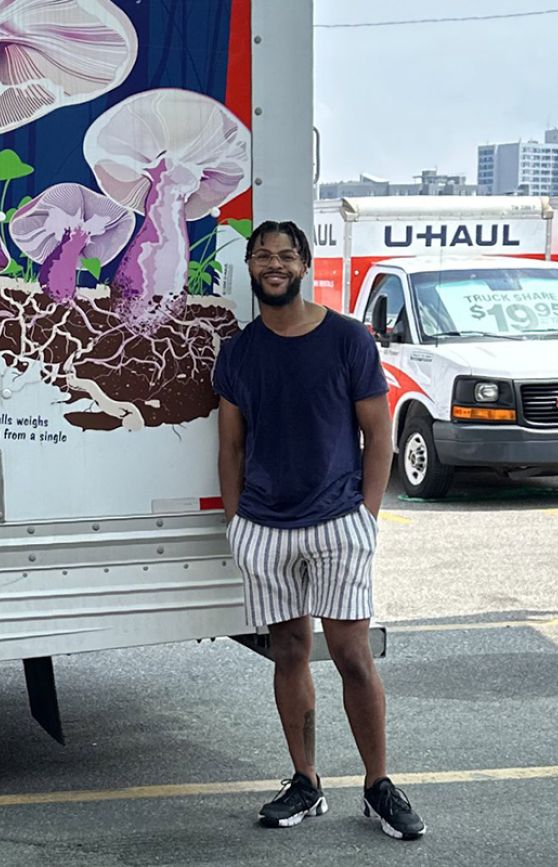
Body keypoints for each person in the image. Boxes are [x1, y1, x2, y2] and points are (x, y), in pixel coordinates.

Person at [212, 220, 425, 838]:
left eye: (285, 256)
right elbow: (230, 447)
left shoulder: (347, 339)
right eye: (263, 256)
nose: (273, 265)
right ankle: (305, 783)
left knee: (353, 656)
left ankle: (378, 786)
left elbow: (379, 435)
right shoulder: (240, 351)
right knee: (290, 652)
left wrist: (367, 516)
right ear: (250, 267)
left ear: (304, 266)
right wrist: (237, 524)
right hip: (264, 529)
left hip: (338, 523)